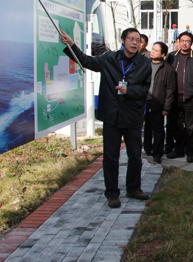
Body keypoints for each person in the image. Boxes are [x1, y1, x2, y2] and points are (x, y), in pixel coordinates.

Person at [60, 28, 151, 208]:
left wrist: (129, 90)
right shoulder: (109, 59)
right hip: (111, 116)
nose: (135, 43)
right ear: (123, 40)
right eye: (131, 39)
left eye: (138, 40)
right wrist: (71, 45)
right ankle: (112, 193)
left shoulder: (144, 63)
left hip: (132, 116)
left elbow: (146, 90)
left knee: (135, 156)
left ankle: (133, 188)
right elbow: (86, 61)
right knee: (110, 157)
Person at [167, 32, 193, 163]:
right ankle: (179, 149)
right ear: (178, 41)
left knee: (190, 127)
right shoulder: (171, 57)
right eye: (182, 40)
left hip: (190, 98)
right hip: (174, 98)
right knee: (175, 126)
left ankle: (190, 152)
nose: (184, 43)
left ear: (191, 43)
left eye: (187, 41)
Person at [143, 42, 176, 164]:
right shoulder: (145, 64)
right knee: (147, 127)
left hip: (157, 102)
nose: (152, 52)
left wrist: (166, 107)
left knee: (158, 130)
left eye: (156, 50)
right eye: (152, 49)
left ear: (162, 54)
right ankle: (147, 148)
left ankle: (157, 153)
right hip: (144, 101)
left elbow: (170, 90)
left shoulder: (168, 69)